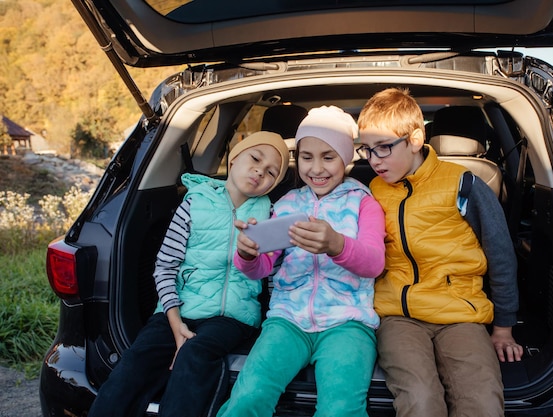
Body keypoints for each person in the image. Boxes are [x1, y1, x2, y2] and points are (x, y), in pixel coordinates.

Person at [87, 131, 290, 417]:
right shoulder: (194, 203)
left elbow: (273, 275)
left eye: (272, 172)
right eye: (255, 158)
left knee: (195, 354)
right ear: (233, 160)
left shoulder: (271, 214)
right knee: (136, 363)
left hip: (233, 316)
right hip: (178, 307)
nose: (260, 171)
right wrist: (174, 322)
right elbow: (164, 266)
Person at [356, 87, 523, 417]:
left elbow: (500, 253)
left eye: (384, 148)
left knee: (483, 403)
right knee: (419, 400)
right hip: (397, 317)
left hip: (460, 316)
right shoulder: (372, 190)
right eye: (366, 150)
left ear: (415, 139)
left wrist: (504, 327)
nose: (374, 160)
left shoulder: (463, 183)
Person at [217, 105, 386, 417]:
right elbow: (263, 267)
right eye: (307, 157)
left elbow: (374, 263)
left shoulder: (364, 203)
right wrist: (247, 254)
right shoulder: (287, 204)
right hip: (287, 320)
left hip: (348, 322)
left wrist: (337, 244)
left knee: (341, 410)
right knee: (248, 396)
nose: (316, 168)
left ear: (347, 158)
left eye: (328, 157)